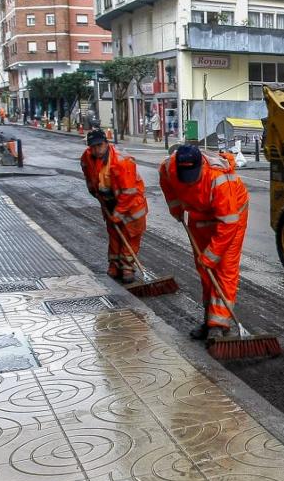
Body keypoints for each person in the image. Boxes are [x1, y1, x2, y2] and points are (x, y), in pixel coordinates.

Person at [158, 144, 248, 341]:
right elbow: (166, 182)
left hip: (231, 218)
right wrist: (176, 209)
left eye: (193, 174)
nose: (189, 180)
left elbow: (228, 223)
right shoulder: (168, 167)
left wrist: (211, 255)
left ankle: (218, 325)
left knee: (223, 267)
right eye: (185, 174)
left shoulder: (218, 179)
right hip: (199, 216)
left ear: (201, 166)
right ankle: (209, 319)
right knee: (204, 269)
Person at [80, 128, 147, 283]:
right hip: (109, 201)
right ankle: (114, 266)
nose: (96, 150)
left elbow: (129, 192)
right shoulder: (87, 157)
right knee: (115, 235)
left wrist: (119, 213)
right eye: (93, 147)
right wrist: (94, 192)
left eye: (99, 145)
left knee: (130, 235)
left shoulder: (123, 161)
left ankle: (127, 268)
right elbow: (88, 174)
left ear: (106, 143)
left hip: (131, 203)